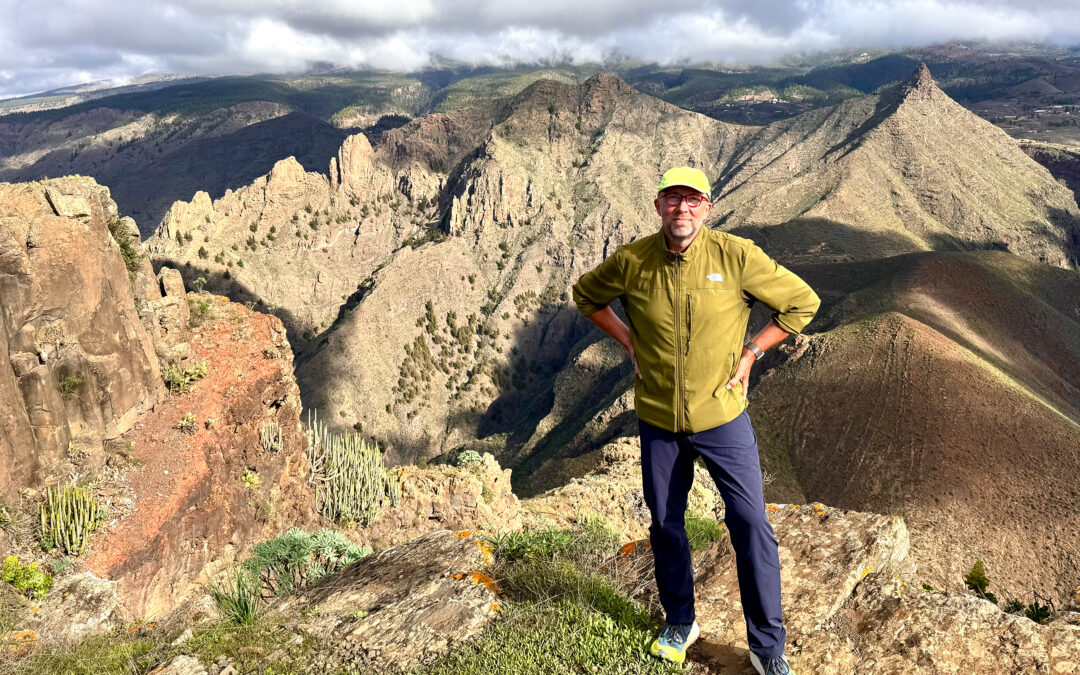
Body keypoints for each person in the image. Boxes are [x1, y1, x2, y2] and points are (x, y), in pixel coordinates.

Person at [570, 167, 820, 674]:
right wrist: (627, 340)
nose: (681, 208)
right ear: (658, 205)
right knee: (665, 523)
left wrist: (752, 353)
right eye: (672, 199)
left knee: (750, 522)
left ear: (707, 208)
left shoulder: (735, 256)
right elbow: (586, 296)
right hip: (659, 416)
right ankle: (680, 621)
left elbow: (802, 303)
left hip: (721, 414)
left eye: (692, 200)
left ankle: (768, 646)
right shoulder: (634, 260)